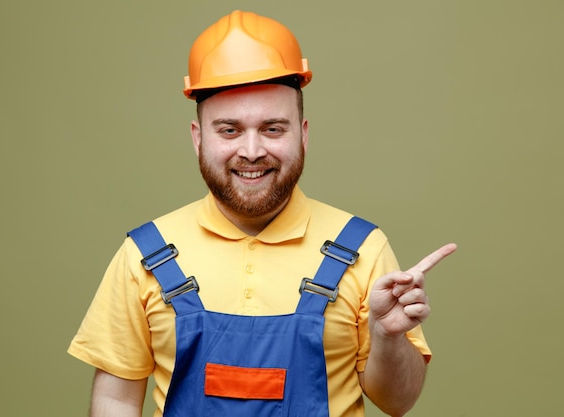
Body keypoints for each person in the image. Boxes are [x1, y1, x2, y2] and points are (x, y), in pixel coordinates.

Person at [68, 10, 457, 417]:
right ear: (198, 139)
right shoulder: (144, 254)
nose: (252, 151)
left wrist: (388, 337)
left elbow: (399, 402)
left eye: (273, 129)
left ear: (302, 134)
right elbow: (115, 400)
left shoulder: (363, 249)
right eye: (229, 130)